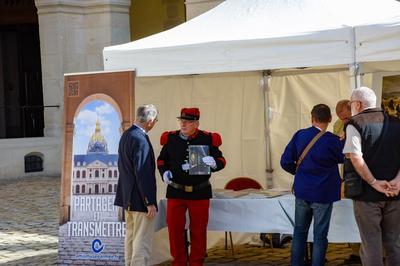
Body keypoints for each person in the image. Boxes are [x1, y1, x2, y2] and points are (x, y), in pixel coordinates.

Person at [157, 107, 226, 266]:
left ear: (196, 123)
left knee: (198, 231)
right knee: (175, 231)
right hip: (175, 191)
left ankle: (196, 262)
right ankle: (179, 262)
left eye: (187, 122)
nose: (183, 124)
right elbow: (161, 160)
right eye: (181, 121)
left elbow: (222, 160)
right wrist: (164, 172)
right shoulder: (171, 138)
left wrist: (215, 164)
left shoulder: (208, 139)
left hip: (200, 192)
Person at [280, 104, 344, 266]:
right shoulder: (333, 140)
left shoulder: (300, 135)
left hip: (302, 191)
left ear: (312, 118)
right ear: (329, 119)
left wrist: (299, 173)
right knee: (320, 236)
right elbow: (345, 158)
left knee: (299, 232)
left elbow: (285, 161)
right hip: (323, 193)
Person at [343, 86, 400, 266]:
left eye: (351, 103)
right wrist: (398, 181)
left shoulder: (355, 123)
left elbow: (355, 157)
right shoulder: (397, 122)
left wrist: (374, 182)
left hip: (367, 195)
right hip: (395, 193)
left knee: (371, 244)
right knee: (394, 244)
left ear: (358, 104)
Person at [114, 104, 159, 266]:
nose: (155, 124)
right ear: (150, 121)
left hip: (128, 197)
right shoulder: (140, 139)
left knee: (131, 238)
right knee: (142, 241)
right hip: (140, 199)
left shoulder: (126, 134)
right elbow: (143, 173)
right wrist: (149, 202)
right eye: (156, 121)